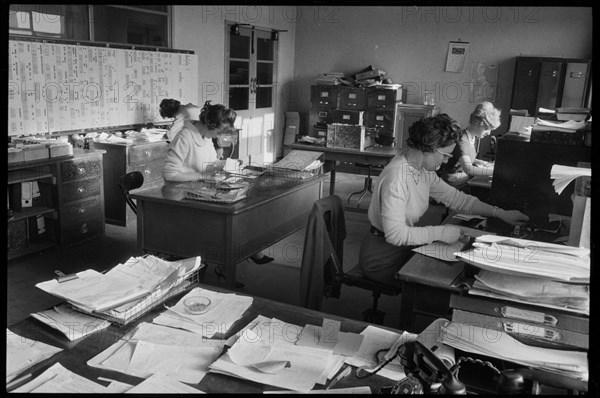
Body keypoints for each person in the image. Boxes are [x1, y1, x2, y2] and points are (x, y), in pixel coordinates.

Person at [359, 113, 529, 285]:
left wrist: (500, 213)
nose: (447, 160)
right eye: (445, 155)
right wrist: (441, 232)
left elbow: (457, 199)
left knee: (456, 261)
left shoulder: (420, 169)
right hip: (382, 259)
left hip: (401, 247)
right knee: (445, 277)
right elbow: (396, 235)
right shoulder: (397, 177)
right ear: (430, 148)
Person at [162, 101, 274, 265]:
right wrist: (202, 176)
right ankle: (229, 259)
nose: (219, 136)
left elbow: (209, 162)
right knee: (233, 214)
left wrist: (225, 164)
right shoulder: (184, 137)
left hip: (200, 190)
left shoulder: (205, 136)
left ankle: (248, 250)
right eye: (219, 131)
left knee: (245, 205)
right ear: (208, 124)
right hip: (181, 196)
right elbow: (169, 174)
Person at [438, 101, 500, 188]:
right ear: (478, 123)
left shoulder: (472, 137)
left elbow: (465, 158)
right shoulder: (463, 140)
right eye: (487, 129)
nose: (489, 133)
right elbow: (469, 169)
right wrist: (497, 172)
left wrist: (483, 163)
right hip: (455, 184)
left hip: (463, 179)